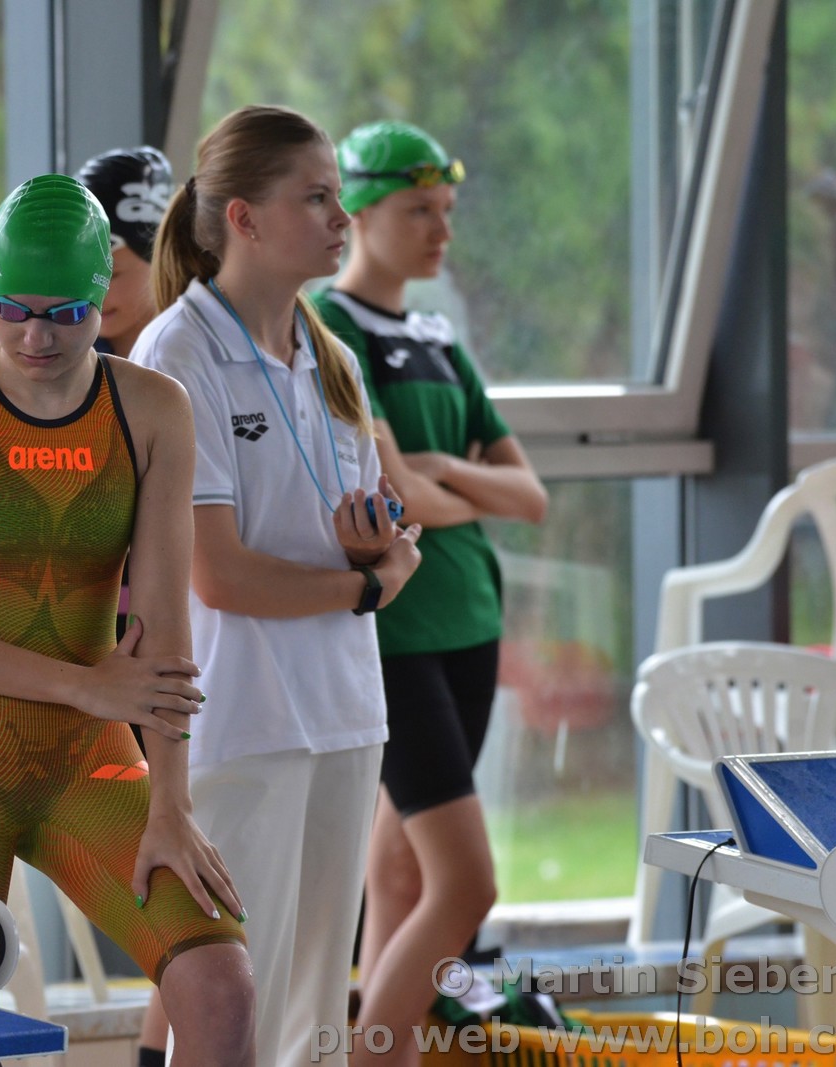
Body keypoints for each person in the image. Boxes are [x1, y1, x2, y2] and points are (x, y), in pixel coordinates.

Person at [0, 173, 254, 1067]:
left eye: (66, 315)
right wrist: (83, 685)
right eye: (14, 310)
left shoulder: (151, 408)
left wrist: (172, 801)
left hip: (88, 761)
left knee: (220, 985)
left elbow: (164, 626)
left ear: (104, 298)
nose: (35, 337)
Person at [132, 104, 424, 1067]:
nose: (343, 218)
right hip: (245, 719)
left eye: (339, 197)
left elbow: (386, 538)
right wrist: (366, 586)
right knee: (233, 1016)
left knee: (316, 1021)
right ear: (245, 218)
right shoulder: (178, 353)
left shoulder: (331, 357)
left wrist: (376, 554)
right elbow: (219, 574)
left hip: (344, 712)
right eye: (318, 198)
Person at [311, 120, 547, 1067]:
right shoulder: (331, 329)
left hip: (471, 622)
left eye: (447, 210)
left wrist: (441, 471)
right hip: (399, 631)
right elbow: (394, 491)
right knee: (465, 884)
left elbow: (529, 496)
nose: (441, 230)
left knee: (404, 874)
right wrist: (452, 483)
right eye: (419, 210)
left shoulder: (438, 337)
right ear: (361, 213)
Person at [77, 144, 178, 1067]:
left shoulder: (170, 369)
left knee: (187, 900)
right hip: (102, 663)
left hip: (160, 651)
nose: (101, 287)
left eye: (118, 263)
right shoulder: (70, 363)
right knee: (177, 900)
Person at [77, 146, 174, 358]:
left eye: (111, 274)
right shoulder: (64, 355)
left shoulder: (194, 345)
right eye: (79, 275)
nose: (92, 292)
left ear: (159, 263)